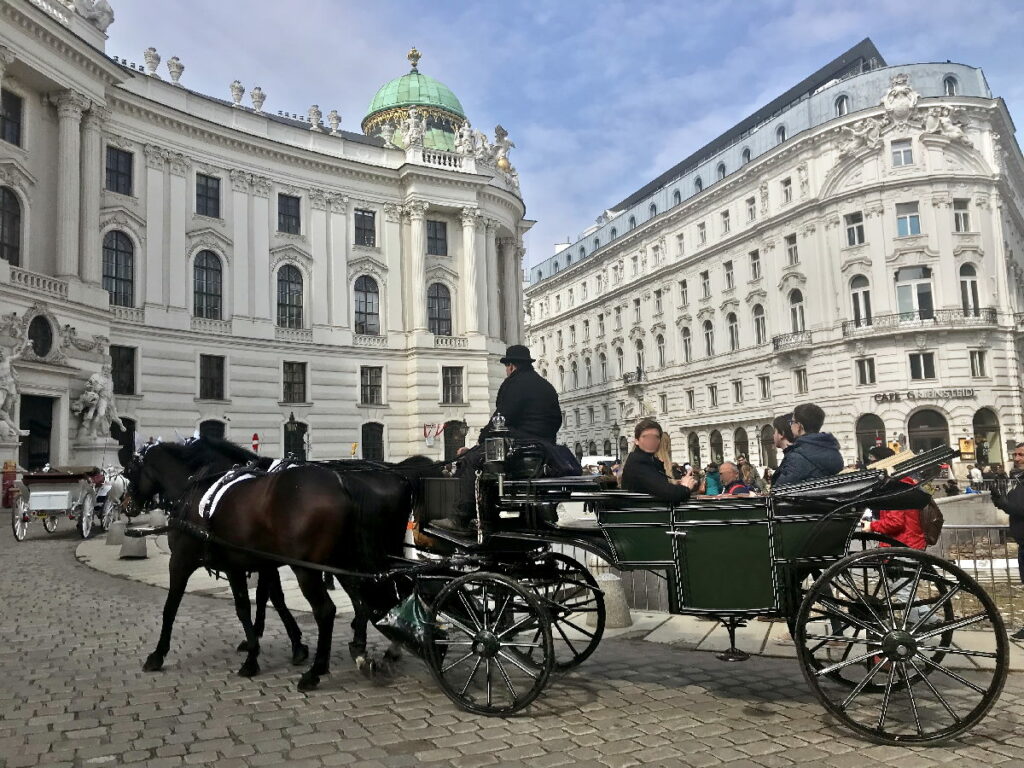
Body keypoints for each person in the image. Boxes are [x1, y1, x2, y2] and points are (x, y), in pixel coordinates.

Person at [433, 344, 564, 532]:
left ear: (511, 366)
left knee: (471, 459)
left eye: (506, 367)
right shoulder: (545, 385)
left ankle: (461, 518)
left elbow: (501, 418)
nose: (506, 371)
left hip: (521, 444)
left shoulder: (514, 383)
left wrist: (480, 441)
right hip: (543, 447)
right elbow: (557, 420)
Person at [990, 442, 1024, 640]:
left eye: (1021, 455)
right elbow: (1012, 506)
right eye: (1015, 454)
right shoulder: (1018, 480)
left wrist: (1005, 504)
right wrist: (999, 499)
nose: (1016, 458)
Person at [861, 446, 926, 549]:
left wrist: (871, 526)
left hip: (904, 546)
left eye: (873, 462)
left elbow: (895, 522)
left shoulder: (896, 486)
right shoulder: (898, 483)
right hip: (906, 544)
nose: (870, 467)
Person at [621, 419, 697, 502]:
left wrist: (680, 483)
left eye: (655, 437)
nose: (651, 441)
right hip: (643, 512)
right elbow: (668, 493)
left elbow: (656, 487)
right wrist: (685, 487)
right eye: (646, 437)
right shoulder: (638, 462)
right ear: (636, 441)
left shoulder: (649, 460)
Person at [770, 403, 844, 488]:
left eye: (792, 422)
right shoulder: (830, 449)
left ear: (799, 426)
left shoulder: (798, 457)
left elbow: (778, 491)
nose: (790, 426)